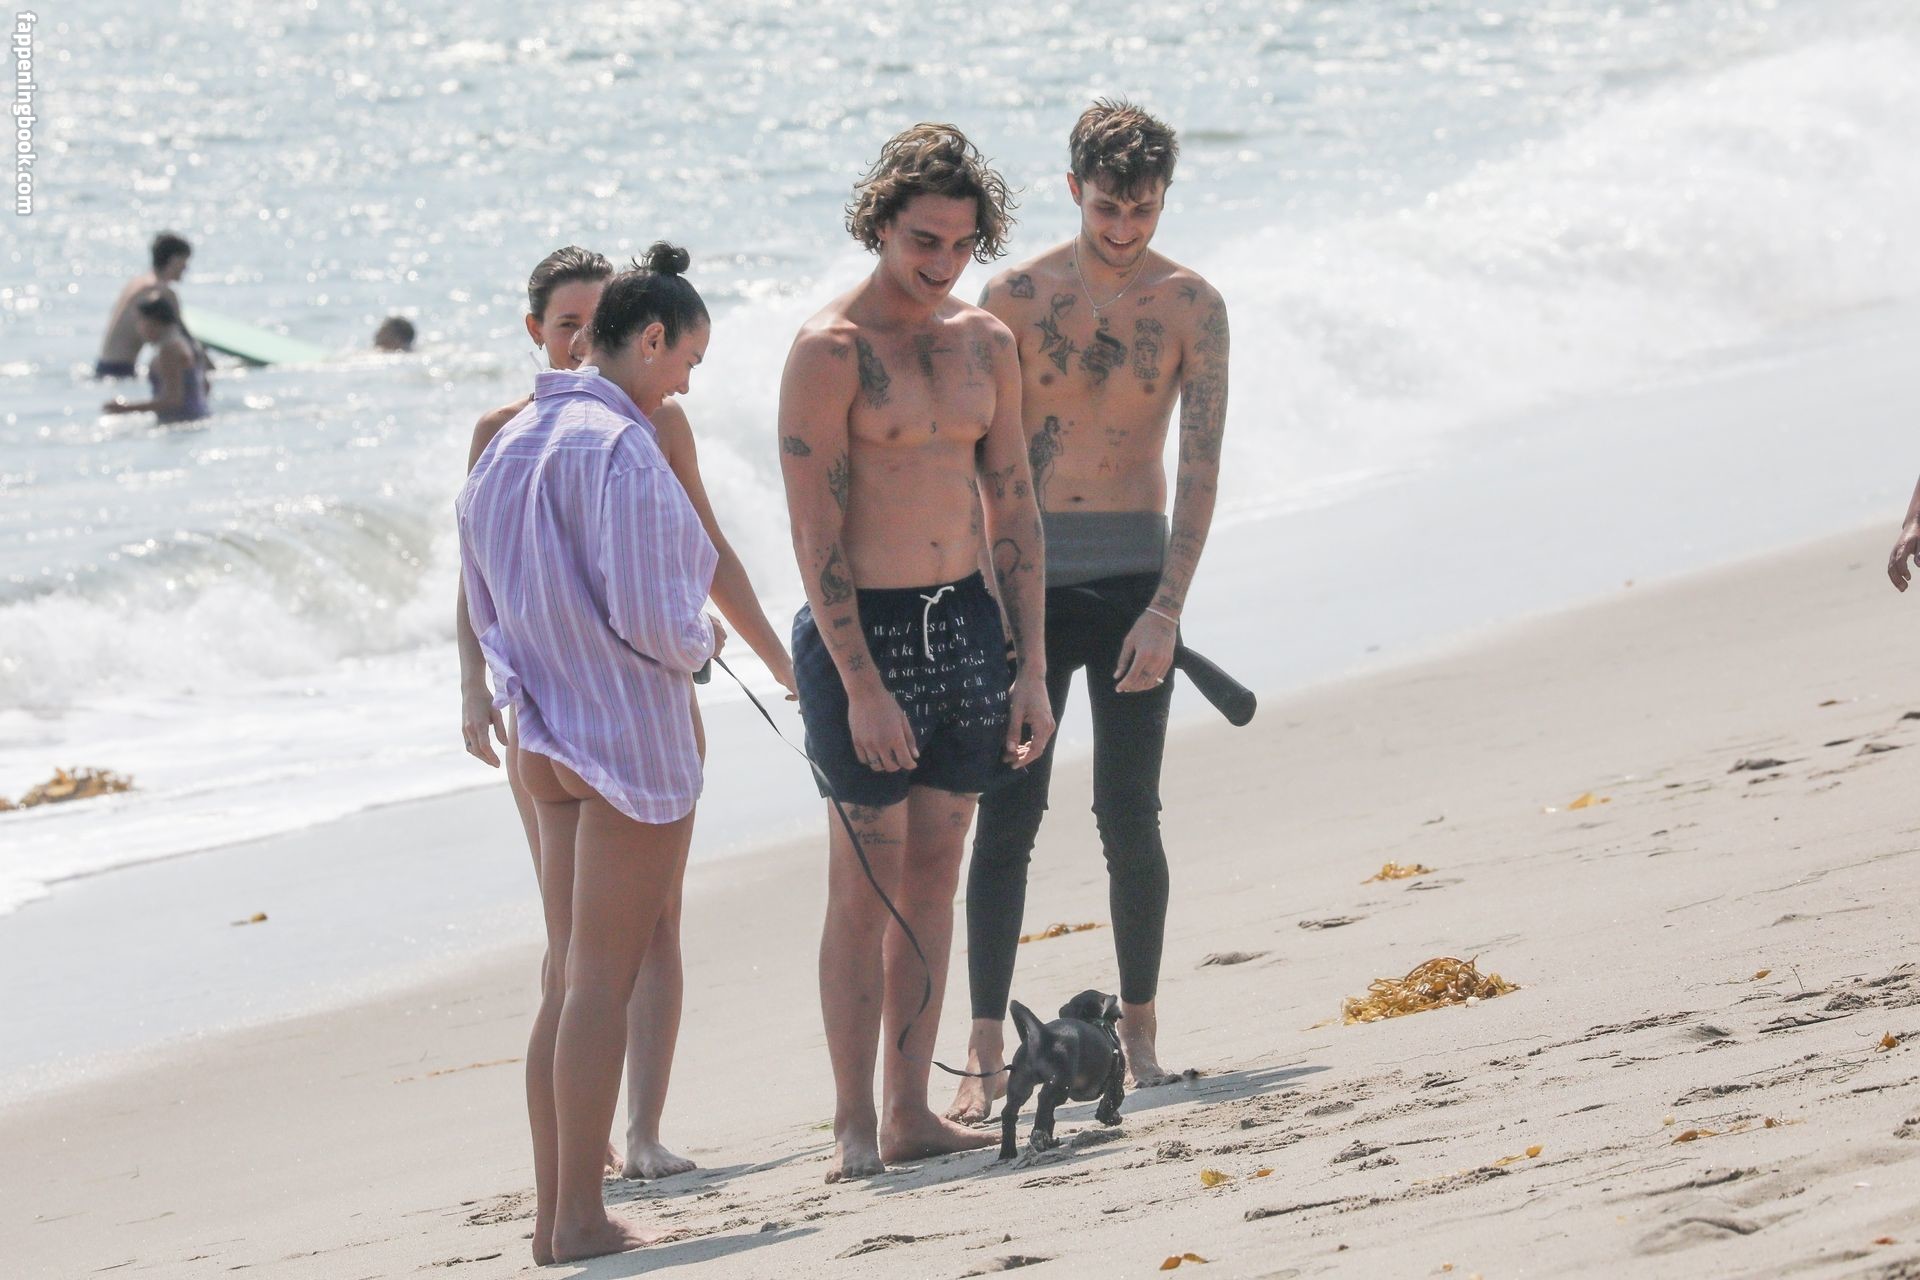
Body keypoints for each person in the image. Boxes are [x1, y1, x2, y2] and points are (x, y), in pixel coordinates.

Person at [457, 246, 794, 1182]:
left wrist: (506, 685)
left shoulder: (517, 439)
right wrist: (700, 642)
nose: (686, 380)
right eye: (687, 359)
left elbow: (486, 591)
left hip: (545, 733)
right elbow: (655, 614)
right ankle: (578, 1208)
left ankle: (570, 1196)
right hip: (624, 735)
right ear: (648, 339)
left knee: (576, 975)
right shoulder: (620, 444)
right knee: (597, 981)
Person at [778, 123, 1055, 1181]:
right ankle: (853, 1121)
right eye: (923, 240)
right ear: (880, 226)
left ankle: (909, 1112)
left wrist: (1031, 667)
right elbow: (813, 534)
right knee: (864, 885)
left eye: (960, 244)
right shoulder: (829, 351)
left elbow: (1014, 505)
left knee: (936, 874)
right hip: (869, 636)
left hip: (969, 627)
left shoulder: (986, 343)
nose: (942, 262)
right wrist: (859, 684)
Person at [947, 100, 1231, 1124]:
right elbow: (977, 463)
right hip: (1023, 581)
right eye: (1109, 207)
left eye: (1144, 210)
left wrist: (1167, 608)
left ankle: (1140, 1029)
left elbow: (1200, 468)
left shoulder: (1192, 305)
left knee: (1128, 811)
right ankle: (985, 1047)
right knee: (1008, 816)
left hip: (1131, 584)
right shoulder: (1012, 299)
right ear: (1074, 190)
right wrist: (984, 597)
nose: (1124, 228)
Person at [100, 292, 211, 424]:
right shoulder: (187, 342)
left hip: (180, 422)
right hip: (197, 417)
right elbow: (206, 386)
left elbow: (174, 400)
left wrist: (125, 408)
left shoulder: (169, 349)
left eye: (139, 321)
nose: (138, 329)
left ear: (153, 321)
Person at [97, 232, 191, 378]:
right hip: (121, 371)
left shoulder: (136, 283)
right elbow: (182, 338)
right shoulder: (161, 292)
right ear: (173, 260)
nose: (186, 268)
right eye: (184, 261)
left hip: (103, 367)